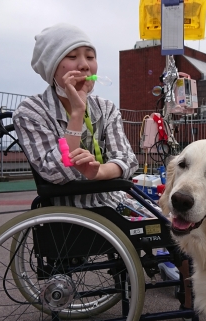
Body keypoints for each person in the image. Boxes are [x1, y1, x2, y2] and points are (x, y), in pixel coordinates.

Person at [13, 23, 143, 212]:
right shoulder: (31, 111)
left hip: (115, 201)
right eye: (72, 56)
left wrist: (97, 172)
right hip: (69, 212)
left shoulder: (106, 108)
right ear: (52, 68)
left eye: (90, 57)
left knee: (168, 222)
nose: (84, 65)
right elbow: (54, 172)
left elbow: (127, 160)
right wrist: (77, 113)